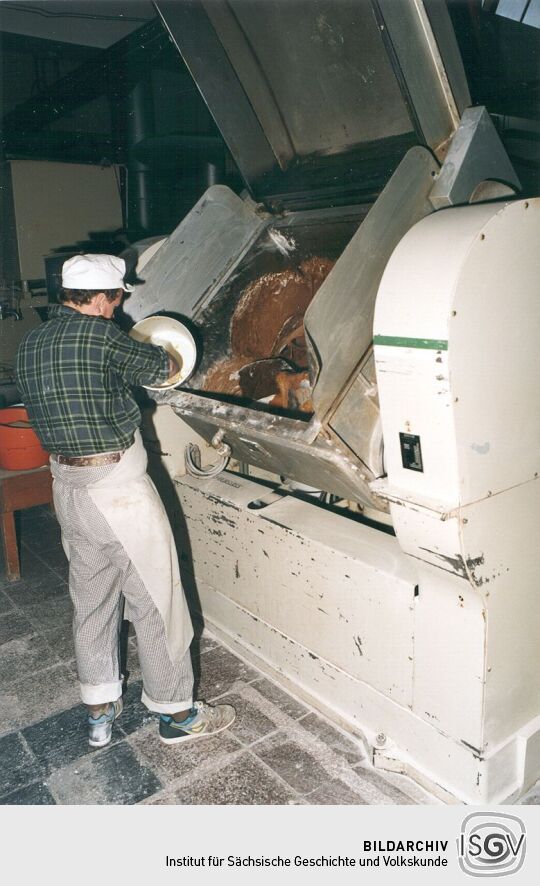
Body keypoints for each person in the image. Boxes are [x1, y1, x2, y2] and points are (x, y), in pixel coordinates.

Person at [15, 254, 235, 749]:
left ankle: (99, 711)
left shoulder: (31, 342)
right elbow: (165, 366)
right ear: (97, 297)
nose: (118, 307)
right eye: (116, 298)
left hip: (68, 490)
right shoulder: (101, 335)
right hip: (117, 493)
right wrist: (169, 350)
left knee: (91, 603)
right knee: (157, 601)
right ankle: (177, 715)